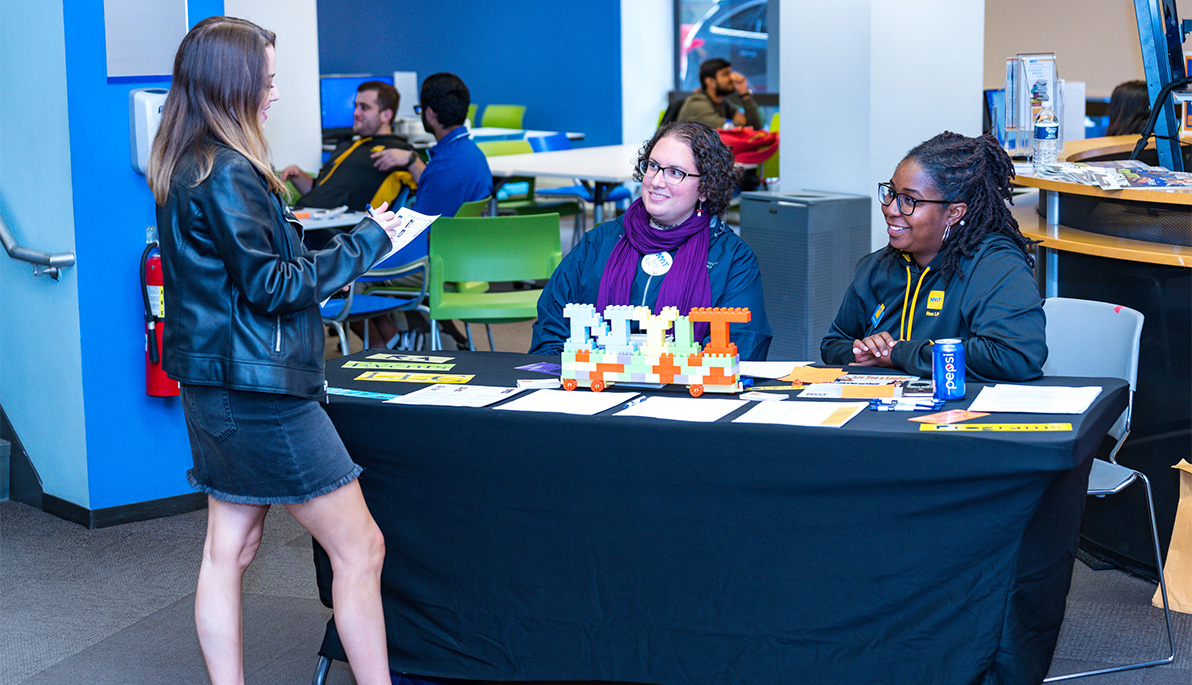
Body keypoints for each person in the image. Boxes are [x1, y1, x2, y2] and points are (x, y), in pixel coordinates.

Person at [146, 17, 400, 685]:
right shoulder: (228, 171)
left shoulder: (185, 160)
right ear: (235, 86)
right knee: (361, 547)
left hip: (213, 385)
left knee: (228, 549)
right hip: (261, 393)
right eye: (267, 81)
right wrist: (370, 243)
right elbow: (271, 286)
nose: (275, 95)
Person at [530, 121, 772, 361]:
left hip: (687, 394)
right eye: (653, 166)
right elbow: (551, 331)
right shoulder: (599, 242)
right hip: (594, 390)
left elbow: (741, 346)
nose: (656, 181)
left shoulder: (732, 258)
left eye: (675, 172)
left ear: (705, 188)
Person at [820, 131, 1046, 382]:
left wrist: (899, 354)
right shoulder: (876, 267)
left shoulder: (994, 264)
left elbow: (1016, 356)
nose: (891, 209)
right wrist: (864, 350)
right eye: (891, 193)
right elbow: (833, 344)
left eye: (909, 200)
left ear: (954, 213)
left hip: (963, 415)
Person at [371, 72, 493, 217]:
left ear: (429, 114)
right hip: (463, 237)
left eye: (420, 109)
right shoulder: (474, 154)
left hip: (438, 238)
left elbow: (418, 230)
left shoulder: (443, 168)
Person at [279, 80, 413, 212]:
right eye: (356, 106)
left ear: (386, 115)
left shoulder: (398, 151)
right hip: (308, 218)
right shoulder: (345, 146)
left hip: (339, 227)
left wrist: (412, 159)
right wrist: (298, 175)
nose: (356, 113)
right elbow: (320, 191)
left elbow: (429, 187)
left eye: (364, 107)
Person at [675, 57, 763, 130]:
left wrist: (744, 93)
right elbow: (733, 129)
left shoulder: (723, 103)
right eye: (725, 74)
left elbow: (754, 127)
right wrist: (743, 125)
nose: (732, 78)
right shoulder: (697, 103)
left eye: (730, 73)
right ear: (710, 82)